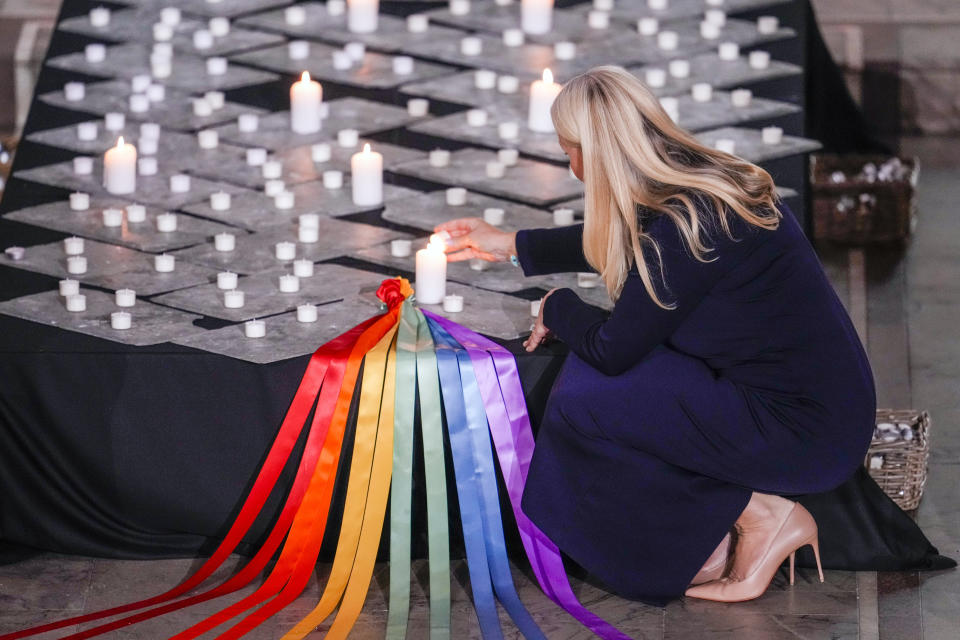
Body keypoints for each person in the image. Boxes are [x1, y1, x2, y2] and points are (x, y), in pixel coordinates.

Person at [435, 66, 876, 605]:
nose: (570, 165)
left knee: (588, 397)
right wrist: (510, 243)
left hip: (802, 431)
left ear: (593, 153)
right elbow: (630, 236)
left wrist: (558, 305)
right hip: (814, 404)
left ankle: (757, 518)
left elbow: (613, 349)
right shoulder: (702, 181)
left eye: (568, 150)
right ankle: (713, 528)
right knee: (590, 380)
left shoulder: (686, 223)